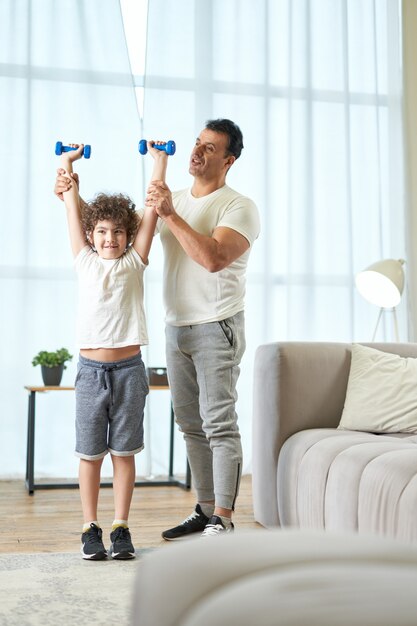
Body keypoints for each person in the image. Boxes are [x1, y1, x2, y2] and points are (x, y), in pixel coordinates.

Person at [55, 119, 260, 540]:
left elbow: (214, 258)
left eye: (210, 148)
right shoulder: (176, 197)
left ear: (229, 160)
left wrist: (170, 213)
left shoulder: (238, 206)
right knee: (189, 422)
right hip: (176, 326)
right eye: (196, 143)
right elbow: (113, 228)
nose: (197, 152)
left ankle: (223, 515)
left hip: (216, 324)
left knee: (218, 421)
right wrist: (68, 187)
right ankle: (204, 510)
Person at [58, 141, 167, 559]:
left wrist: (160, 161)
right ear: (91, 235)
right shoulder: (83, 260)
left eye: (118, 231)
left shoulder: (134, 262)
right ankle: (90, 527)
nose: (110, 238)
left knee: (123, 452)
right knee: (90, 454)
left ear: (129, 234)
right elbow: (70, 202)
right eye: (102, 231)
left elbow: (153, 209)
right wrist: (67, 163)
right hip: (90, 373)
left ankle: (121, 527)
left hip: (129, 372)